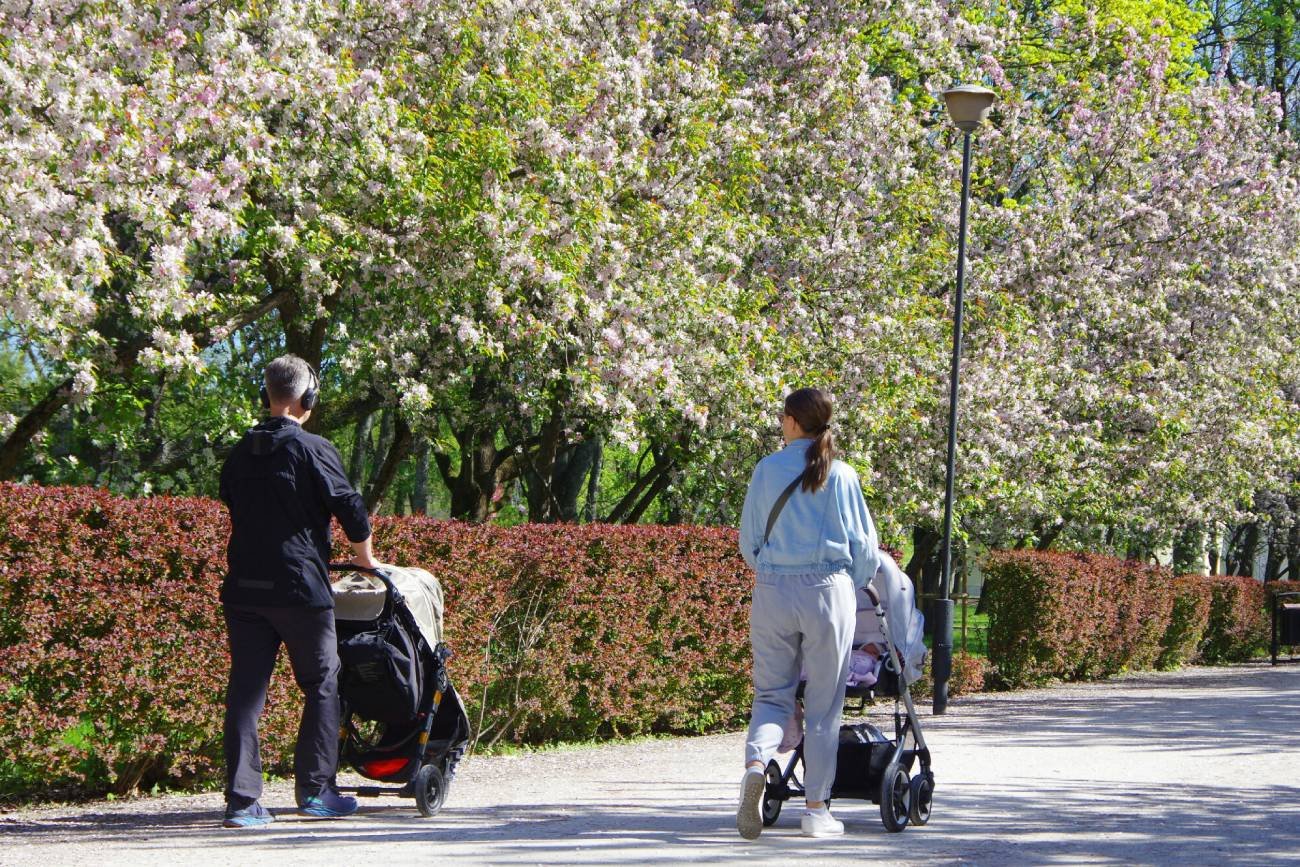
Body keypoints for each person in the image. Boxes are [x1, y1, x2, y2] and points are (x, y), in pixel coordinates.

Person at [218, 355, 381, 828]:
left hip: (244, 588)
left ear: (266, 396)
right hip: (299, 588)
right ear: (307, 400)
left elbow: (232, 500)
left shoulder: (238, 452)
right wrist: (367, 562)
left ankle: (243, 803)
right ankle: (315, 792)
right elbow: (350, 508)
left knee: (246, 693)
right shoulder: (313, 447)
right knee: (322, 683)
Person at [735, 387, 880, 839]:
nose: (780, 423)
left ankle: (758, 761)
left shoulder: (765, 470)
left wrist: (774, 572)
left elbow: (749, 541)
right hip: (827, 591)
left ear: (794, 421)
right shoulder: (842, 476)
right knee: (823, 708)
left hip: (774, 590)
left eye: (783, 417)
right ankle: (816, 810)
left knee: (771, 694)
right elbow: (866, 551)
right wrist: (846, 583)